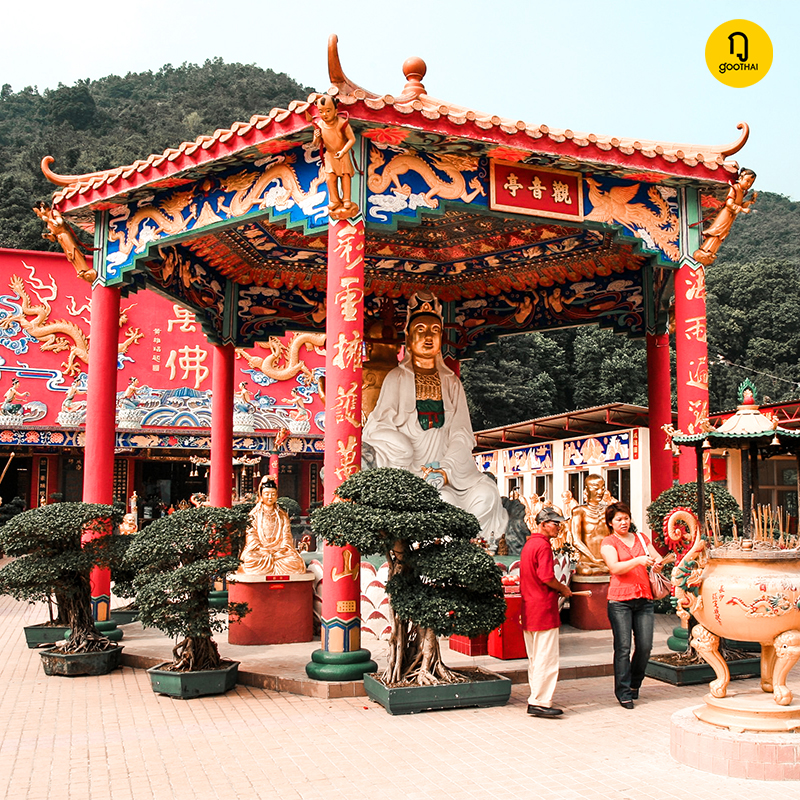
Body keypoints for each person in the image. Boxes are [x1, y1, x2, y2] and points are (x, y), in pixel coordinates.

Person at [362, 292, 508, 548]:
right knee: (441, 501)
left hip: (449, 471)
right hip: (408, 468)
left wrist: (447, 468)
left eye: (435, 330)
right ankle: (439, 554)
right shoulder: (397, 378)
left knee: (487, 494)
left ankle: (478, 548)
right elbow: (377, 426)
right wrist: (401, 448)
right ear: (408, 337)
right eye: (420, 329)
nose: (428, 337)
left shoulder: (451, 382)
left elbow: (462, 433)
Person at [600, 501, 663, 709]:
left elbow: (655, 556)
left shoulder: (642, 539)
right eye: (618, 519)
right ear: (610, 523)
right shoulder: (608, 542)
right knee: (623, 648)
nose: (623, 522)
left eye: (626, 518)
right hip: (619, 601)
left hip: (644, 598)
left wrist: (658, 562)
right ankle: (624, 691)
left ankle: (635, 684)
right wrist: (638, 560)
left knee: (645, 646)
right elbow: (615, 567)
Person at [521, 507, 573, 717]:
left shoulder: (529, 545)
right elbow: (546, 577)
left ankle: (536, 697)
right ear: (542, 524)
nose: (558, 527)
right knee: (546, 657)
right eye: (554, 523)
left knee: (535, 657)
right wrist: (563, 588)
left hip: (529, 608)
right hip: (543, 608)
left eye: (559, 523)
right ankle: (540, 701)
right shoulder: (543, 546)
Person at [239, 476, 306, 576]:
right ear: (261, 495)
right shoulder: (254, 514)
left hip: (280, 552)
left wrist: (282, 549)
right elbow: (251, 535)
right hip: (260, 552)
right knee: (249, 560)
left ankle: (272, 565)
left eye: (273, 494)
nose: (270, 497)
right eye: (267, 494)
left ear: (276, 496)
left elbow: (286, 535)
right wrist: (261, 549)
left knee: (295, 562)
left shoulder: (282, 515)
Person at [312, 94, 356, 217]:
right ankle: (335, 200)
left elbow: (352, 139)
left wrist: (343, 151)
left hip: (342, 154)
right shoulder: (320, 125)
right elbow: (316, 145)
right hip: (330, 155)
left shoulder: (342, 123)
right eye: (321, 111)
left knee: (345, 176)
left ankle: (346, 198)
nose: (325, 114)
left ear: (336, 111)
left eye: (328, 111)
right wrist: (316, 138)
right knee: (330, 178)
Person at [569, 473, 610, 575]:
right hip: (587, 561)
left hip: (606, 559)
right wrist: (594, 559)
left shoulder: (608, 510)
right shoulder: (579, 511)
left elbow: (614, 536)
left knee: (613, 569)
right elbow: (576, 540)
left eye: (602, 488)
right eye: (596, 489)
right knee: (586, 571)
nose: (600, 492)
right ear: (587, 490)